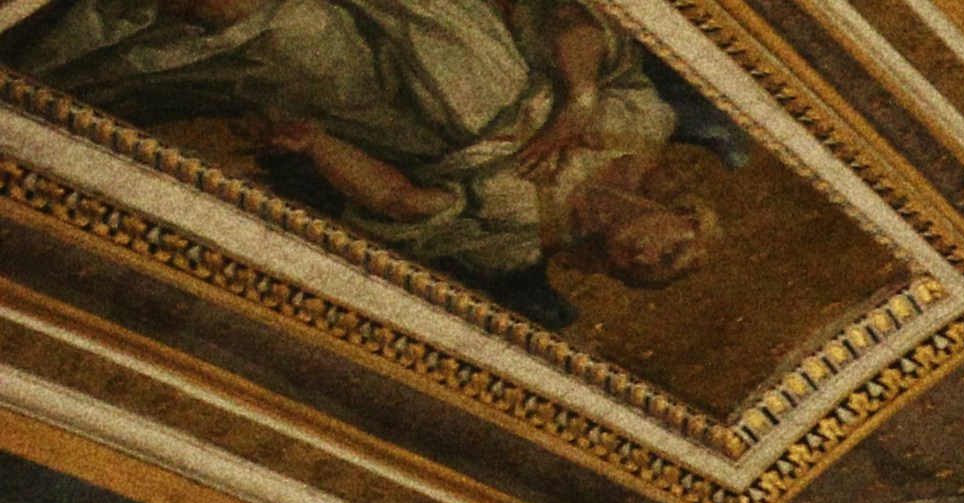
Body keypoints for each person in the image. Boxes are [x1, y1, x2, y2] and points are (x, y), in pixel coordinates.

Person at [10, 0, 705, 308]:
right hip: (462, 40)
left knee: (258, 19)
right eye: (673, 255)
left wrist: (319, 146)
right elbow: (571, 22)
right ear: (688, 218)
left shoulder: (520, 244)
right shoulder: (643, 123)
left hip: (378, 111)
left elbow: (406, 204)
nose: (645, 260)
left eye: (637, 275)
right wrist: (576, 101)